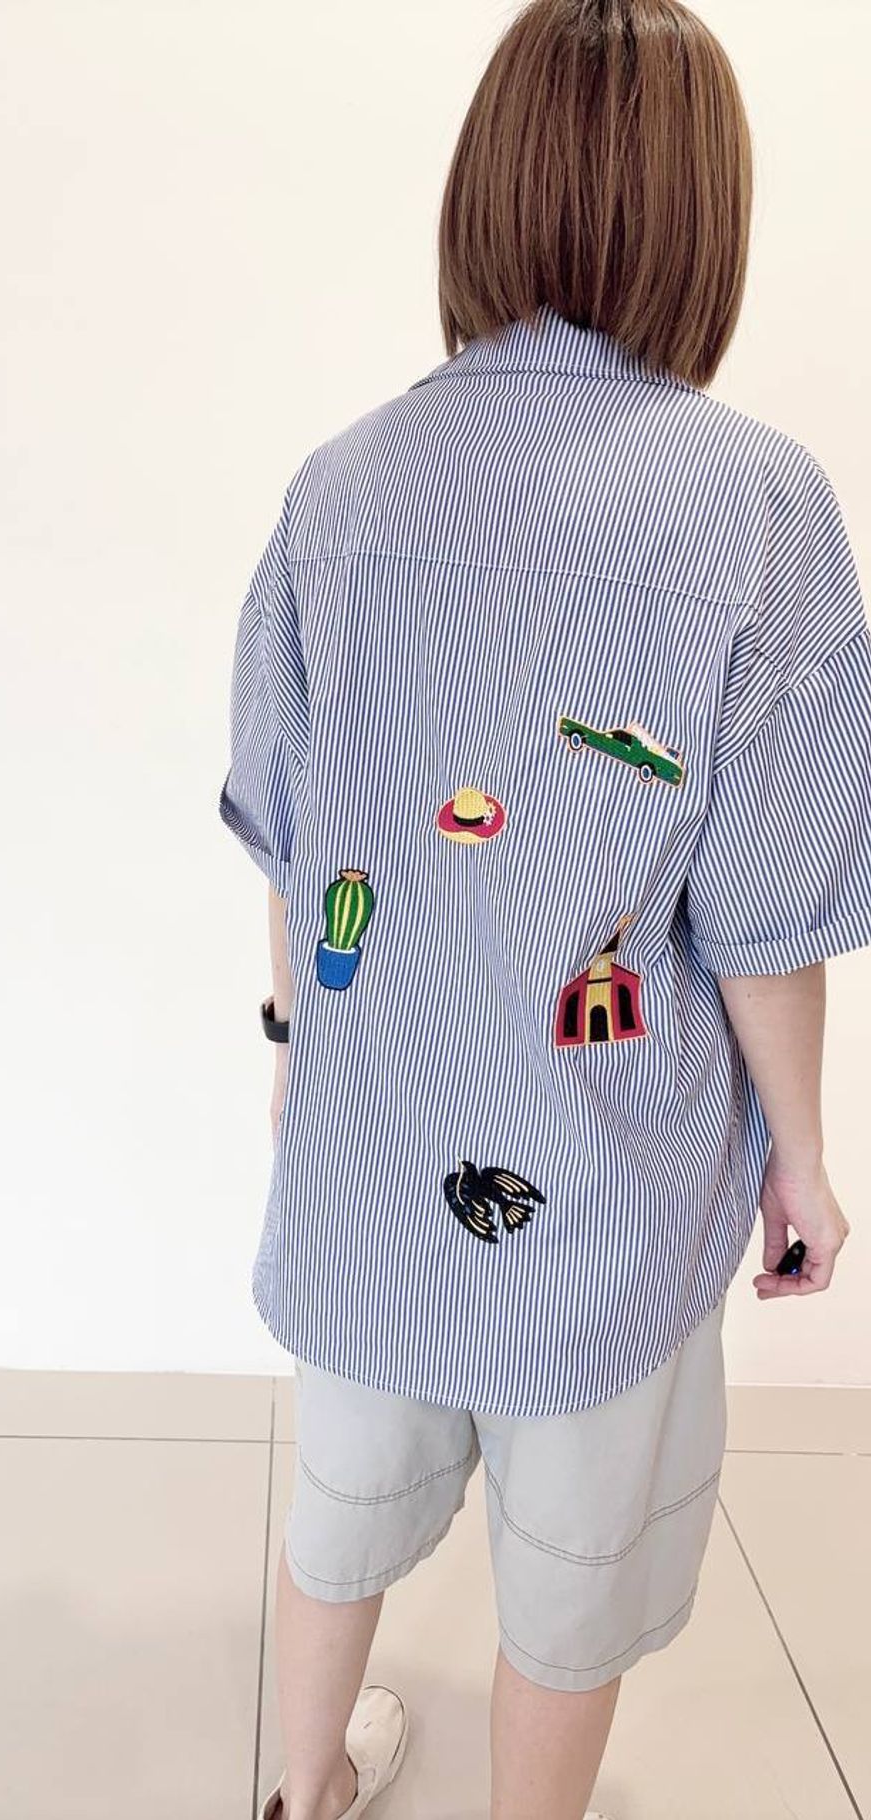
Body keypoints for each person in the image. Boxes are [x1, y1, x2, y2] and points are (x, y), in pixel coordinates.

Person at [216, 2, 871, 1815]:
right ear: (701, 216)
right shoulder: (760, 509)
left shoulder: (342, 483)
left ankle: (297, 1793)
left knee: (338, 1502)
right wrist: (805, 1160)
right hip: (601, 1186)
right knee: (571, 1579)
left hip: (369, 1151)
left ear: (485, 188)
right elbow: (766, 912)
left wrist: (295, 1053)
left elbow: (292, 838)